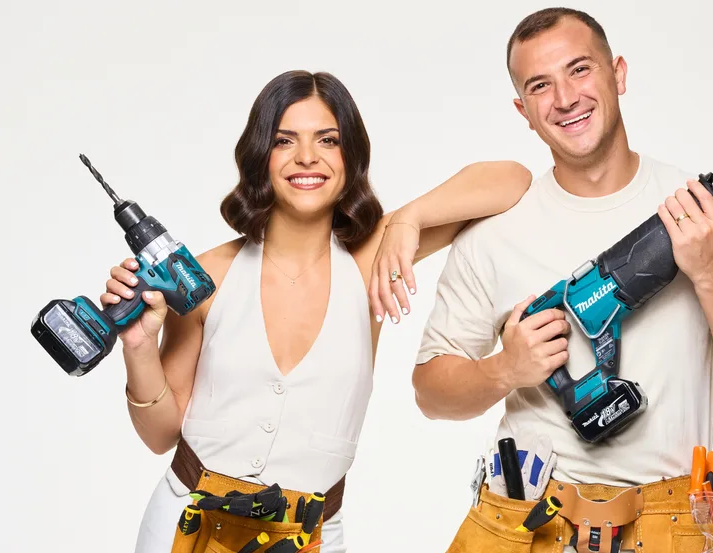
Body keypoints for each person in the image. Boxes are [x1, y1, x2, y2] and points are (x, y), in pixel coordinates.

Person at [100, 69, 533, 553]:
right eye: (285, 141)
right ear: (261, 157)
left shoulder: (372, 260)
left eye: (328, 140)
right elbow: (161, 435)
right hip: (184, 524)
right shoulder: (206, 277)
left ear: (350, 157)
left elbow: (511, 180)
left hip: (313, 535)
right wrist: (138, 347)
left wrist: (408, 219)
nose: (307, 156)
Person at [412, 7, 713, 552]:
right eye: (540, 85)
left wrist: (709, 269)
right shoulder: (494, 233)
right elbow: (431, 394)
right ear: (523, 111)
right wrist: (506, 368)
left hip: (672, 525)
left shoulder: (701, 215)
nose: (565, 98)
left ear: (618, 74)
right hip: (526, 521)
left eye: (580, 69)